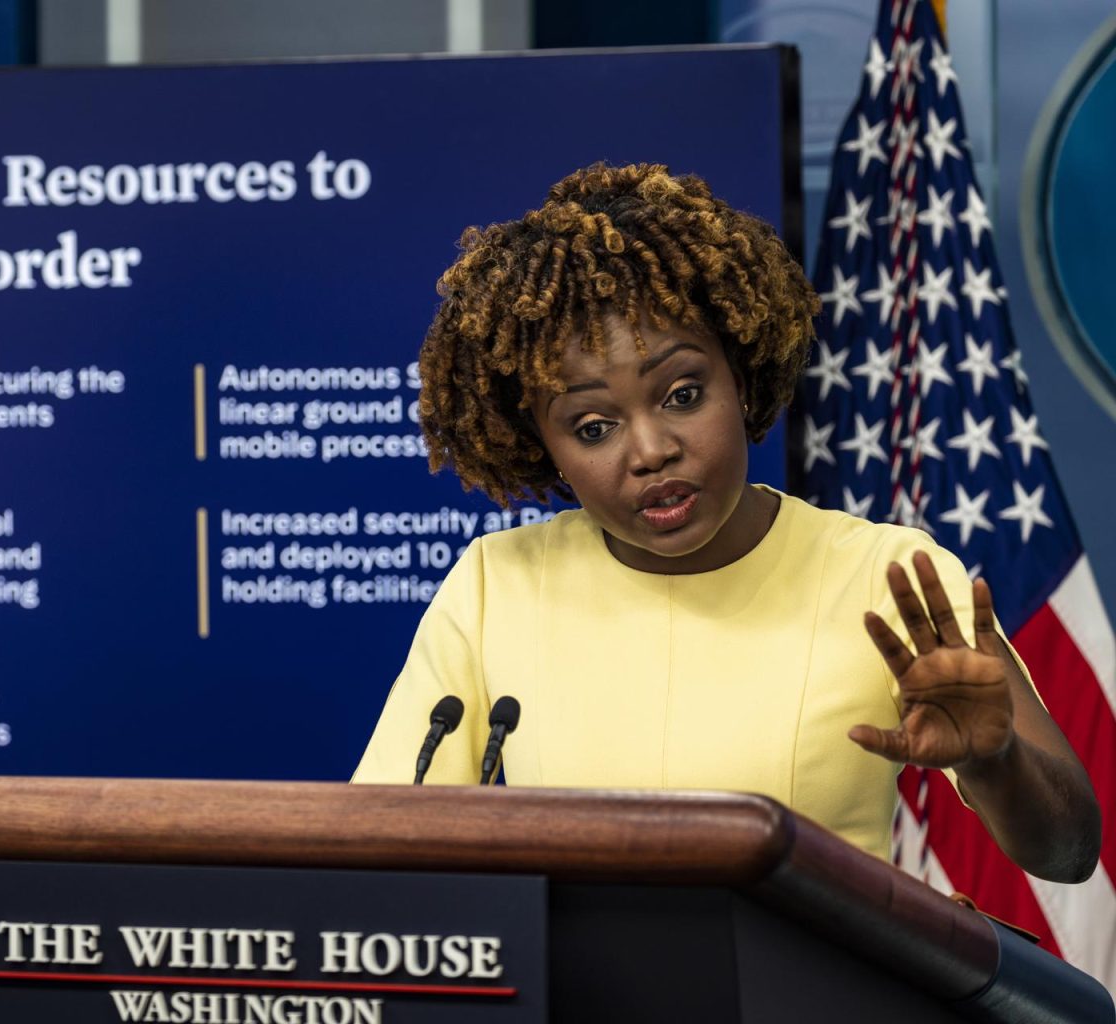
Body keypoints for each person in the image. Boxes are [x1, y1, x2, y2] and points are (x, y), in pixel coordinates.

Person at [353, 163, 1099, 883]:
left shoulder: (886, 575)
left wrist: (993, 761)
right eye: (591, 428)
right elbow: (382, 838)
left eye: (681, 394)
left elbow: (1070, 854)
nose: (651, 451)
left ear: (739, 379)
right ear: (542, 446)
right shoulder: (497, 585)